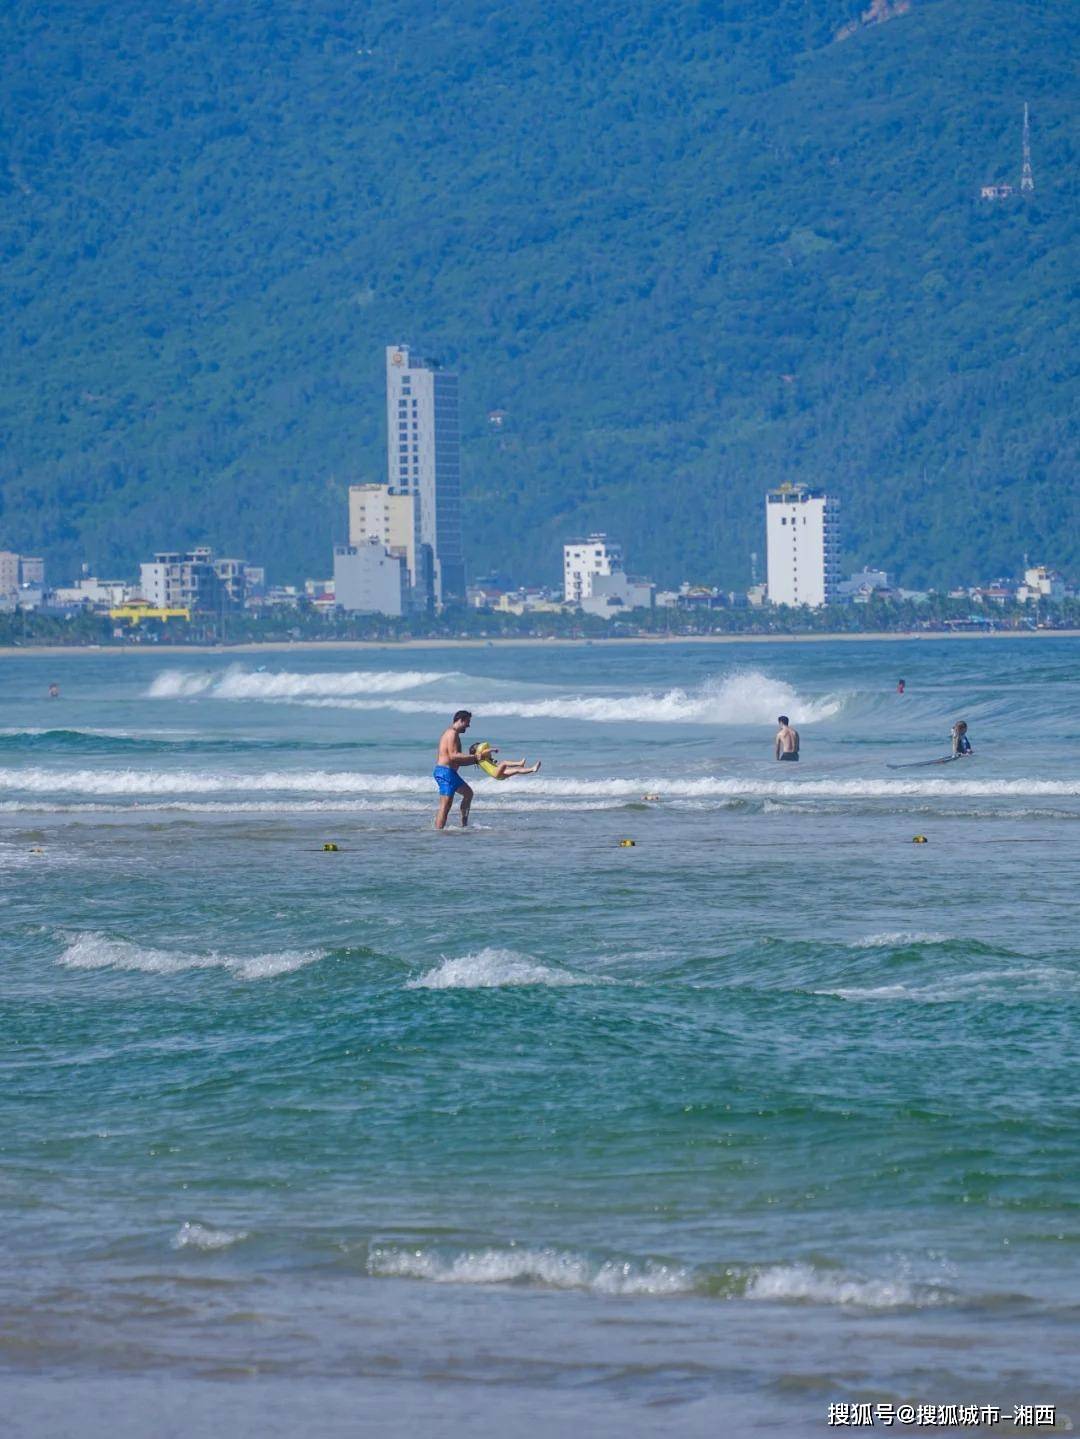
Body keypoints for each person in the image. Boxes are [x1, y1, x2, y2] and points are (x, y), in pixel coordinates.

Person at [433, 710, 483, 829]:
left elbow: (457, 760)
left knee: (468, 793)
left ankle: (464, 825)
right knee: (445, 806)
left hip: (450, 773)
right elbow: (454, 755)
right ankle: (438, 832)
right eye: (467, 722)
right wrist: (475, 756)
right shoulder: (451, 733)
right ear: (461, 720)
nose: (468, 725)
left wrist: (475, 761)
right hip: (445, 772)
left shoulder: (454, 734)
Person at [469, 742, 541, 780]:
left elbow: (487, 756)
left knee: (517, 770)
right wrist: (492, 749)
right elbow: (485, 751)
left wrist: (492, 760)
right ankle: (519, 763)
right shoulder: (480, 757)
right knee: (504, 763)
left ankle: (532, 769)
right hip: (496, 773)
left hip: (499, 776)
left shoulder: (484, 759)